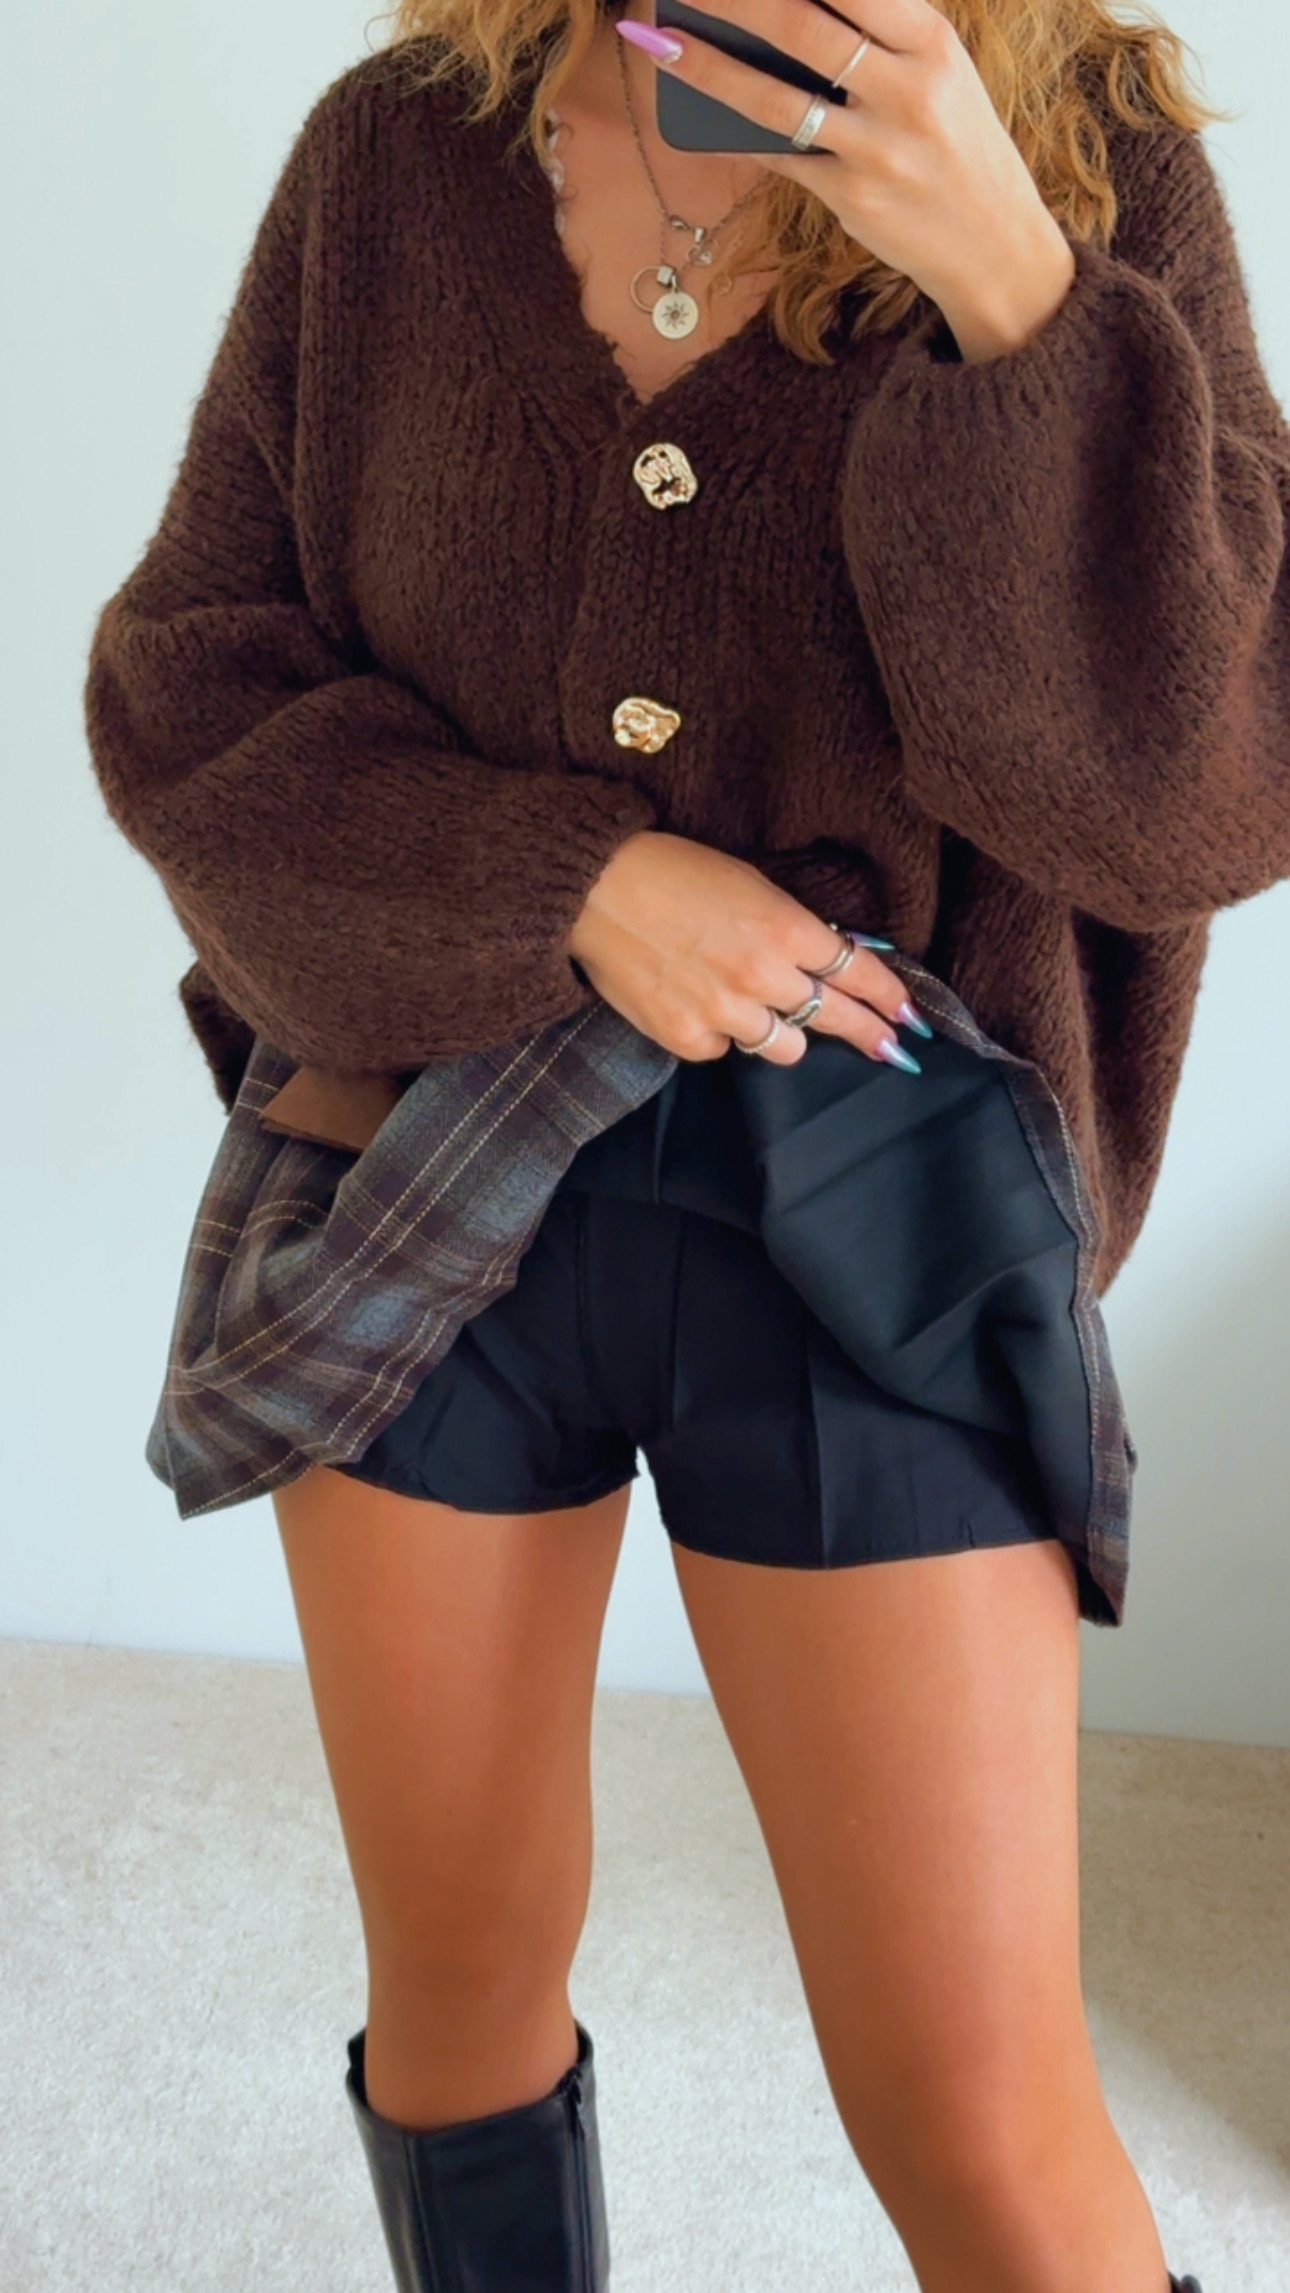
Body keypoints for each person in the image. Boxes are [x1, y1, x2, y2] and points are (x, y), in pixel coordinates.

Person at [83, 0, 1290, 2285]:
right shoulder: (399, 157)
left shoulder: (1089, 162)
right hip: (420, 1166)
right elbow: (185, 684)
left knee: (981, 2116)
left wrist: (1010, 288)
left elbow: (1198, 798)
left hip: (879, 1216)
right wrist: (575, 884)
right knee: (457, 1998)